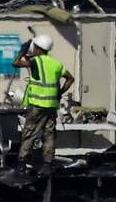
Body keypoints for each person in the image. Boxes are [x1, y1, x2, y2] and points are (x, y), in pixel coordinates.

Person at [13, 33, 72, 168]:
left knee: (29, 133)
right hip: (51, 106)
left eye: (34, 47)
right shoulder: (56, 63)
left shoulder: (36, 62)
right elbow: (70, 79)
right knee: (49, 134)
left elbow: (15, 63)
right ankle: (47, 164)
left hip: (37, 106)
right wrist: (60, 92)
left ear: (38, 48)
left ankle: (22, 163)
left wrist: (22, 50)